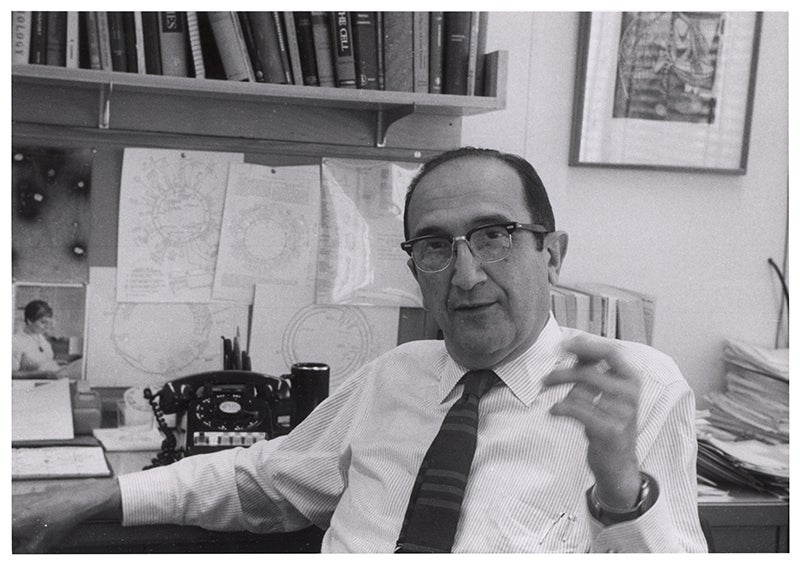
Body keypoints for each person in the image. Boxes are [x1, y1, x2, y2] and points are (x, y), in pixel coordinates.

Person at [12, 147, 707, 553]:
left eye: (493, 235)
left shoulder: (634, 386)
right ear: (415, 270)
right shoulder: (394, 377)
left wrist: (621, 493)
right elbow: (259, 478)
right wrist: (99, 494)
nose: (465, 275)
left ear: (552, 253)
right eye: (436, 246)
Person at [12, 300, 62, 379]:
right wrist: (40, 374)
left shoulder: (42, 339)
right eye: (43, 322)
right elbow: (11, 374)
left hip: (49, 385)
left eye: (49, 323)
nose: (47, 326)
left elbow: (43, 362)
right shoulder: (15, 341)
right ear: (30, 321)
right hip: (27, 388)